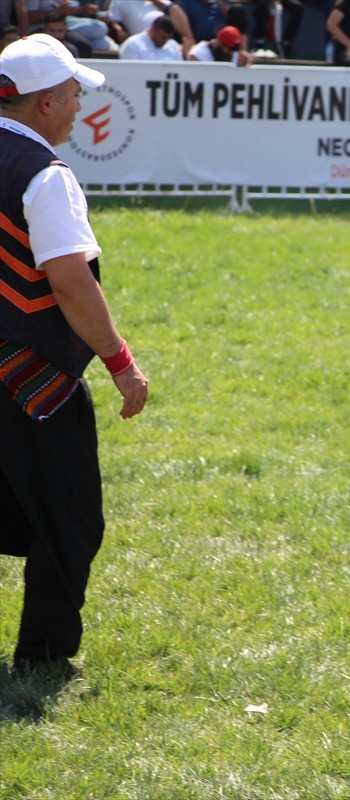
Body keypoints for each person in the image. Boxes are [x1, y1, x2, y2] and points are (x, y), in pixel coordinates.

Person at [0, 34, 149, 678]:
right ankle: (43, 655)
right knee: (68, 517)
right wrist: (120, 362)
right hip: (29, 372)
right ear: (46, 103)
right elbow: (69, 281)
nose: (80, 105)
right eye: (73, 94)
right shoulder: (45, 177)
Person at [119, 13, 184, 58]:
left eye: (169, 38)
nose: (166, 41)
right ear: (153, 30)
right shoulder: (133, 45)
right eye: (163, 37)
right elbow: (129, 73)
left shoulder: (173, 46)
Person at [188, 22, 252, 62]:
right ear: (220, 42)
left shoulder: (233, 53)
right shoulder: (198, 54)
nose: (230, 52)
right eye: (228, 49)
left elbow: (247, 58)